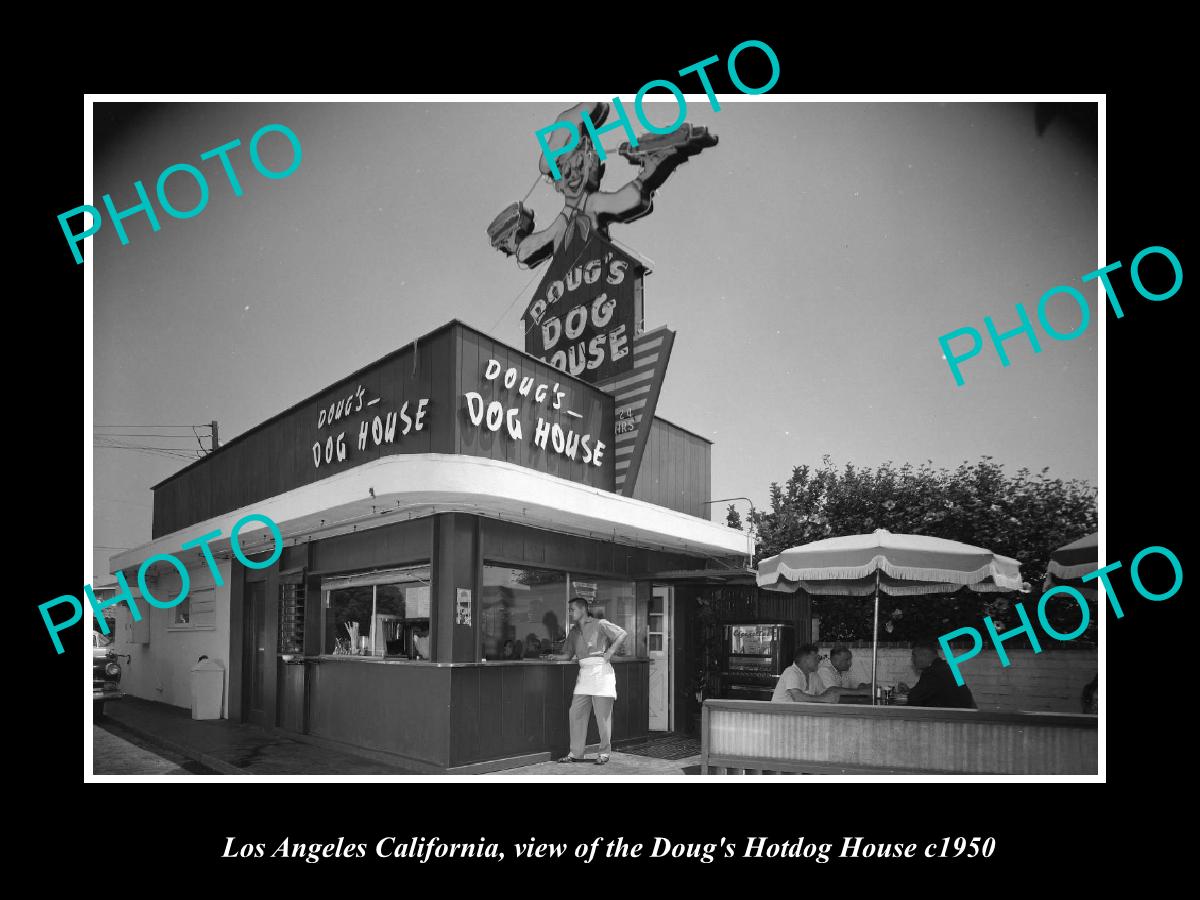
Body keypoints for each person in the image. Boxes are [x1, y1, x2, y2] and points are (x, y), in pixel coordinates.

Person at [549, 596, 627, 765]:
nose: (570, 613)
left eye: (572, 610)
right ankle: (576, 753)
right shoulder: (574, 631)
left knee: (603, 717)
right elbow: (568, 655)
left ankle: (604, 753)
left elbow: (622, 633)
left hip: (601, 673)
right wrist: (554, 656)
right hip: (584, 674)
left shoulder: (600, 623)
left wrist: (610, 652)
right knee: (575, 713)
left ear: (582, 609)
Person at [896, 640, 977, 709]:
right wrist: (909, 691)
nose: (912, 660)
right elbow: (928, 694)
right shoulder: (945, 667)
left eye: (914, 656)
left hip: (956, 722)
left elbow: (914, 699)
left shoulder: (933, 672)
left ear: (925, 655)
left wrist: (907, 695)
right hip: (963, 717)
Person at [771, 644, 842, 703]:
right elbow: (798, 697)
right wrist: (823, 699)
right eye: (816, 658)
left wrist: (833, 695)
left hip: (799, 716)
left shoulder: (813, 675)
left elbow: (824, 693)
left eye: (819, 658)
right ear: (805, 660)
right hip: (780, 717)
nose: (819, 661)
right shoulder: (791, 672)